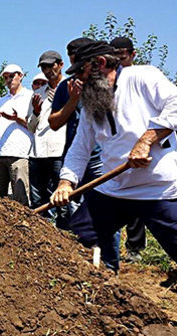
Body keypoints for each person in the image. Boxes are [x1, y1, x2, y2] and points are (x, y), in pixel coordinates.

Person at [51, 40, 177, 272]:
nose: (79, 79)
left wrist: (147, 139)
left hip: (159, 188)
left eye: (82, 71)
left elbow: (175, 103)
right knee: (76, 238)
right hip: (115, 188)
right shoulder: (92, 103)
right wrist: (66, 182)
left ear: (100, 63)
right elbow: (80, 148)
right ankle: (100, 284)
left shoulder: (142, 77)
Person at [109, 36, 145, 263]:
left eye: (123, 55)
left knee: (139, 201)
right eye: (115, 56)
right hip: (116, 149)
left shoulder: (143, 78)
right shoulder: (109, 83)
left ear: (132, 55)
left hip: (141, 149)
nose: (120, 60)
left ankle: (134, 247)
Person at [27, 51, 67, 222]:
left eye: (51, 65)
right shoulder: (39, 93)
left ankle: (65, 232)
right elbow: (31, 125)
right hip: (38, 150)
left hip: (60, 148)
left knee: (61, 195)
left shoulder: (70, 87)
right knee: (37, 196)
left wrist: (62, 103)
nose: (48, 70)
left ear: (60, 65)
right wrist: (36, 111)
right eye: (44, 67)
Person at [0, 64, 33, 205]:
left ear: (21, 76)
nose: (9, 79)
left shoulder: (31, 97)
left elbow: (35, 126)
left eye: (12, 76)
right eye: (6, 77)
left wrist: (16, 118)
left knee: (21, 198)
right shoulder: (1, 101)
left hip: (21, 153)